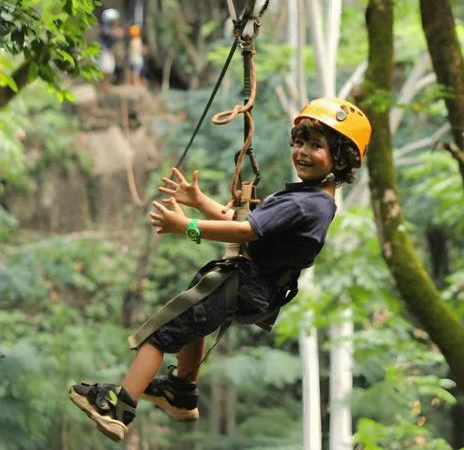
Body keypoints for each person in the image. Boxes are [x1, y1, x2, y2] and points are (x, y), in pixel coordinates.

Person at [68, 97, 372, 442]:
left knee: (160, 333)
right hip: (255, 288)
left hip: (245, 282)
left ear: (341, 159)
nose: (302, 151)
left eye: (316, 146)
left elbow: (246, 231)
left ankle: (119, 410)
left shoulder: (306, 205)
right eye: (300, 142)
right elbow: (247, 222)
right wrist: (200, 202)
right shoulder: (313, 199)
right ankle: (180, 393)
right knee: (193, 322)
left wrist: (187, 226)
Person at [99, 8, 124, 90]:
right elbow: (108, 32)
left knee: (109, 69)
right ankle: (104, 84)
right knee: (105, 68)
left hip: (110, 51)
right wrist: (116, 33)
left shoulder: (112, 28)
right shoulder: (105, 28)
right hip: (104, 50)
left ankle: (106, 84)